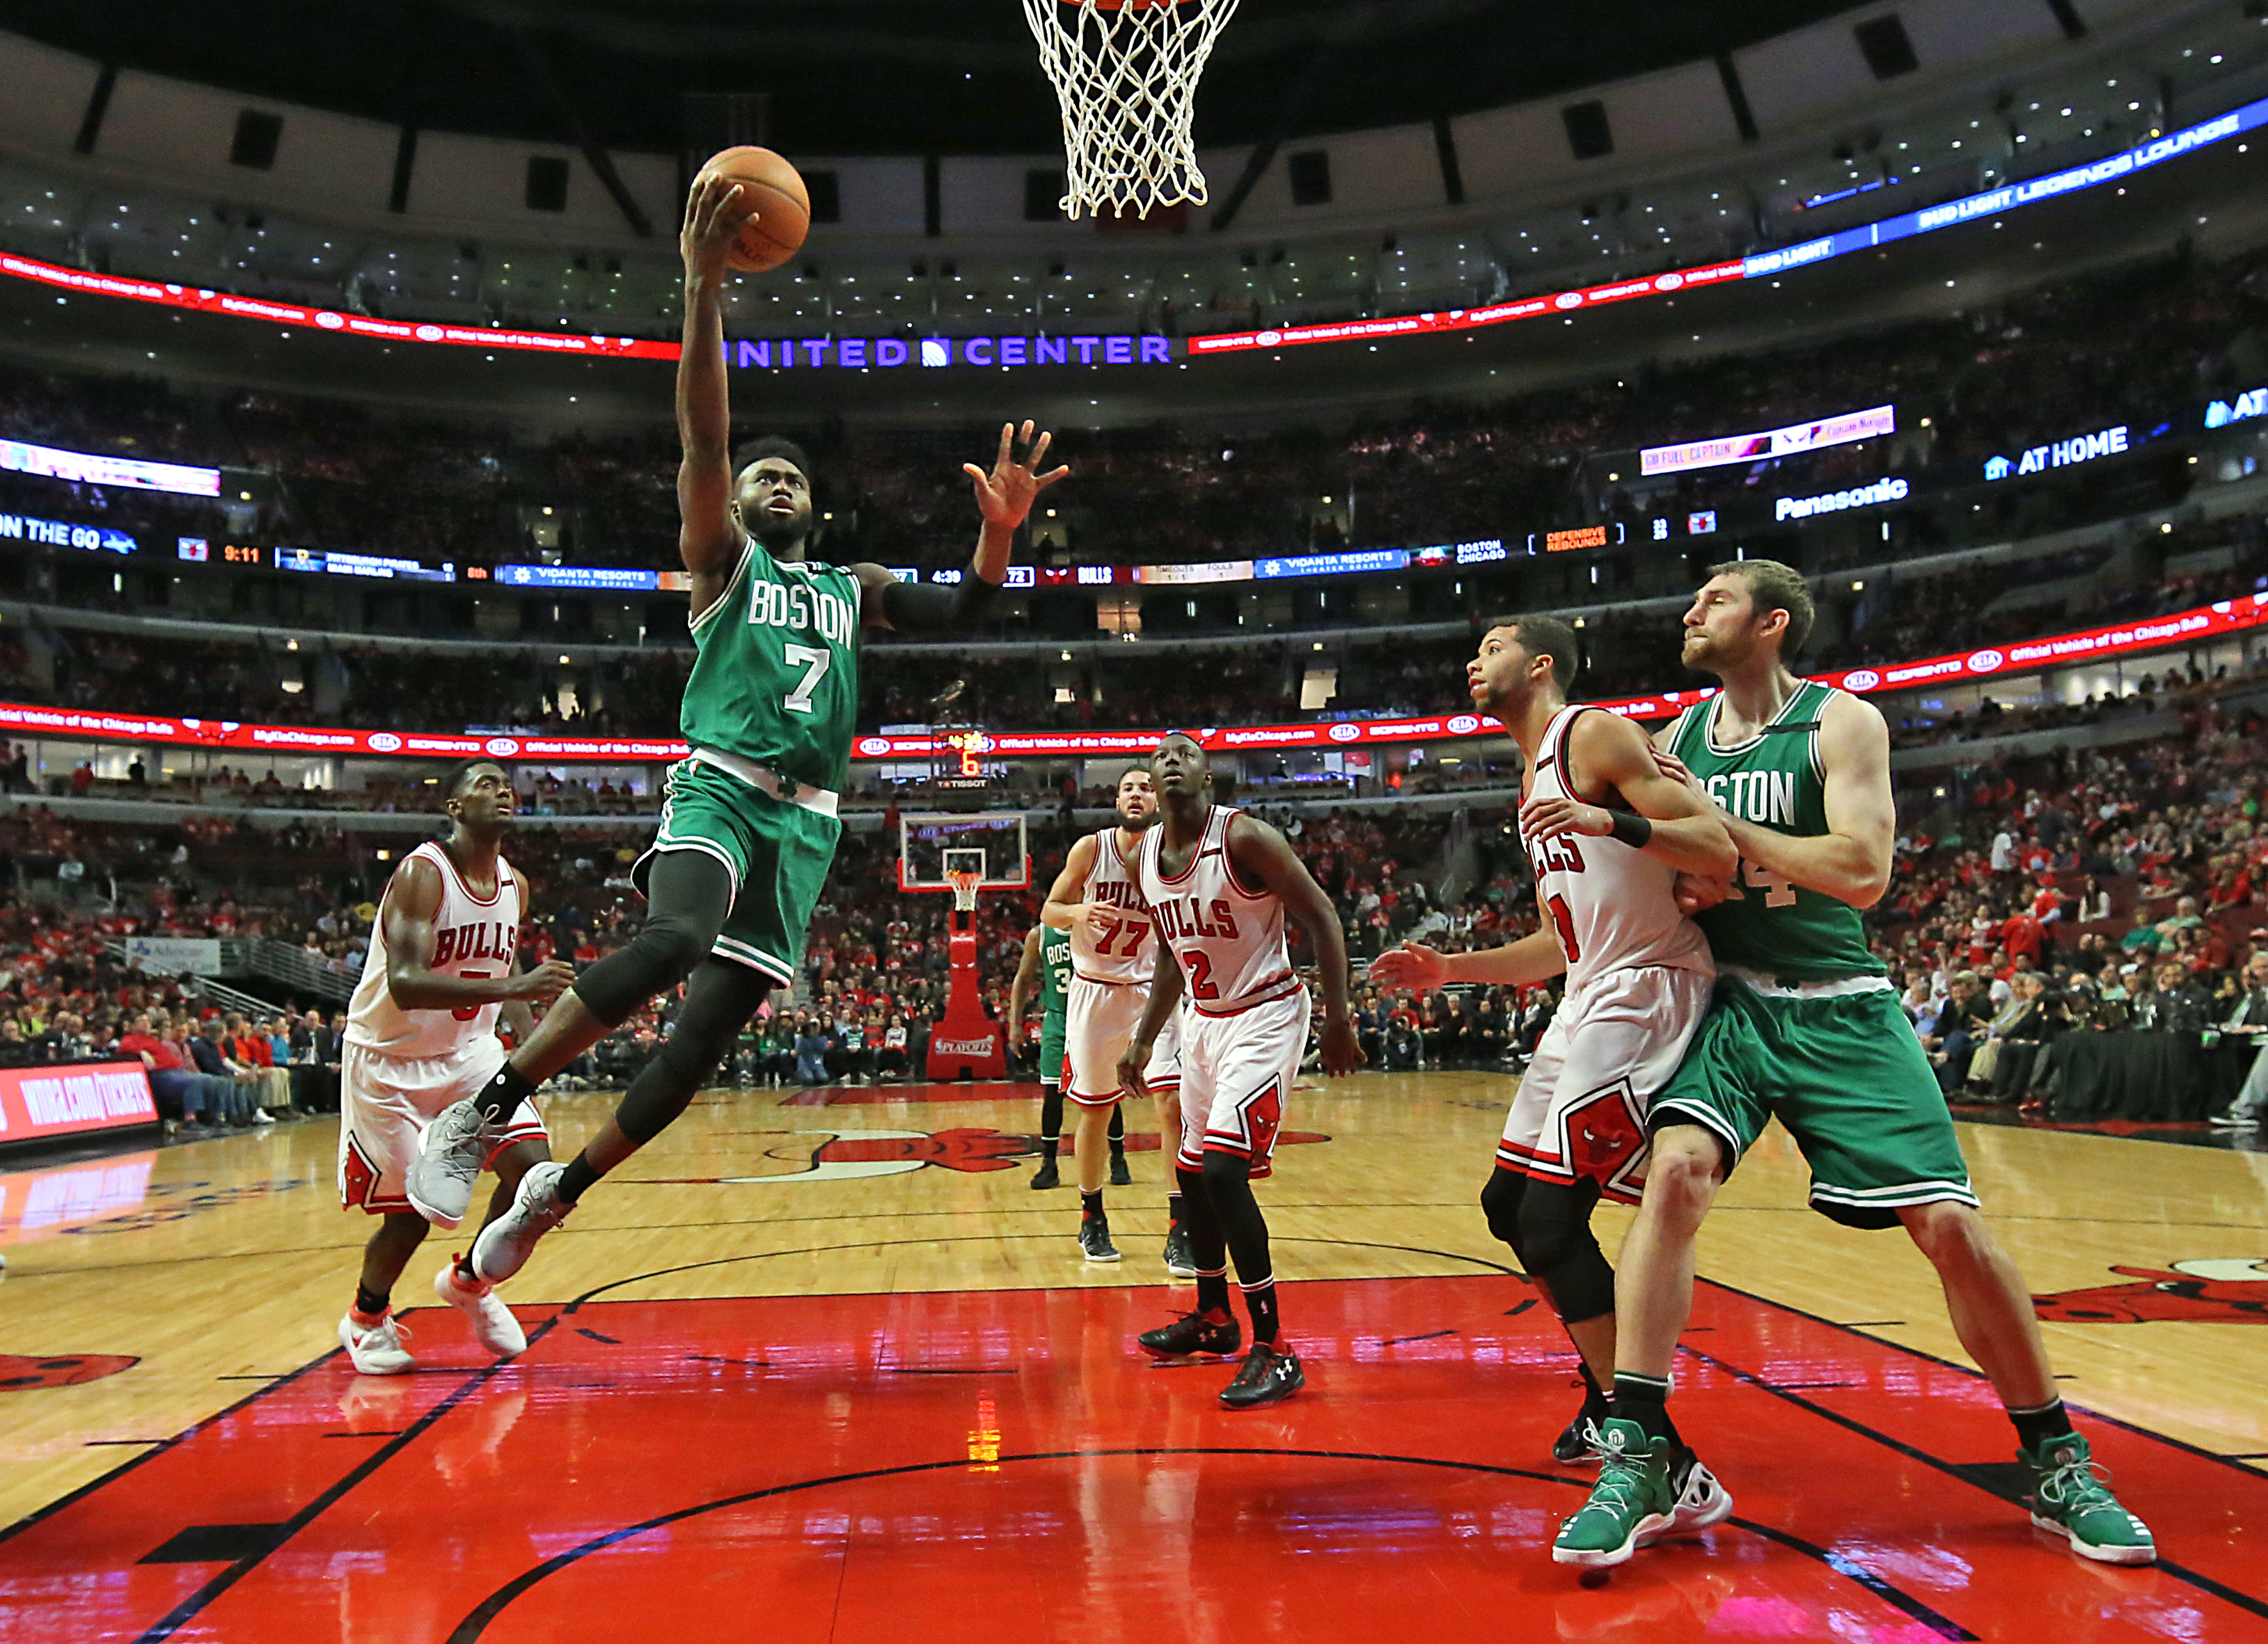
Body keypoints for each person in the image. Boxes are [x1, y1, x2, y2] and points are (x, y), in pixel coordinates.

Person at [404, 169, 1069, 1286]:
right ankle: (485, 1107)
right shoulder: (724, 561)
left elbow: (963, 608)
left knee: (700, 1042)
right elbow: (703, 443)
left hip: (806, 825)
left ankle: (549, 1199)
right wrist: (703, 290)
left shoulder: (854, 585)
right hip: (719, 782)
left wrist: (998, 535)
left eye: (786, 477)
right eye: (755, 473)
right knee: (670, 938)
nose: (766, 483)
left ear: (815, 503)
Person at [1554, 560, 2152, 1569]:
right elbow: (1672, 878)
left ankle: (2054, 1456)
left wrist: (1716, 839)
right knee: (1675, 1174)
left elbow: (1861, 871)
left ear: (1771, 623)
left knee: (1949, 1228)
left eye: (1715, 598)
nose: (1689, 608)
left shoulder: (1841, 724)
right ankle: (1642, 1446)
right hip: (1731, 1000)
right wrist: (1684, 869)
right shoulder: (1673, 743)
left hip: (1843, 1008)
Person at [1374, 613, 1735, 1473]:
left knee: (1550, 1214)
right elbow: (1555, 942)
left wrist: (1614, 823)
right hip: (1589, 988)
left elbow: (1716, 849)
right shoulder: (1534, 772)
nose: (1473, 660)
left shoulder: (1593, 734)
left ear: (1541, 666)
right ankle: (1604, 1395)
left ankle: (1654, 1449)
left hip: (1648, 984)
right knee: (1509, 1206)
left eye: (1492, 648)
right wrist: (1448, 969)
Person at [1119, 733, 1362, 1409]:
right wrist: (1143, 1040)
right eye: (1160, 754)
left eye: (1185, 753)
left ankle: (1276, 1348)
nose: (1170, 760)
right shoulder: (1147, 858)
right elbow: (1171, 952)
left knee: (1224, 1171)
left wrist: (1340, 1020)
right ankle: (1214, 1316)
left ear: (1208, 777)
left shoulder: (1246, 838)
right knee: (1192, 1174)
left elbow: (1322, 916)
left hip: (1265, 1013)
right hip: (1201, 1022)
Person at [334, 760, 576, 1375]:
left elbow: (505, 981)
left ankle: (469, 1279)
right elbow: (408, 983)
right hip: (393, 1060)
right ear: (454, 806)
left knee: (537, 1181)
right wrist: (518, 983)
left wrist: (539, 1045)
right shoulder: (423, 873)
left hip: (471, 1054)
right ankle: (364, 1320)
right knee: (415, 1210)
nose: (501, 791)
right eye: (484, 784)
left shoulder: (515, 884)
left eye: (506, 785)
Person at [1043, 768, 1172, 1262]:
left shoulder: (1174, 856)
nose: (1136, 794)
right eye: (1129, 788)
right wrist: (1077, 913)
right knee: (1096, 1109)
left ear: (1159, 800)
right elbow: (1049, 909)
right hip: (1096, 990)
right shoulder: (1090, 850)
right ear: (1117, 799)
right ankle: (1091, 1216)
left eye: (1146, 787)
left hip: (1154, 991)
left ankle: (1180, 1223)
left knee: (1173, 1105)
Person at [1007, 919, 1076, 1190]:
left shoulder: (1092, 928)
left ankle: (1118, 1159)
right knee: (1052, 1092)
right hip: (1057, 1020)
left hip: (1090, 1019)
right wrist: (1015, 1024)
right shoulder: (1040, 935)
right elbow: (1023, 978)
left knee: (1104, 1092)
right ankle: (1049, 1164)